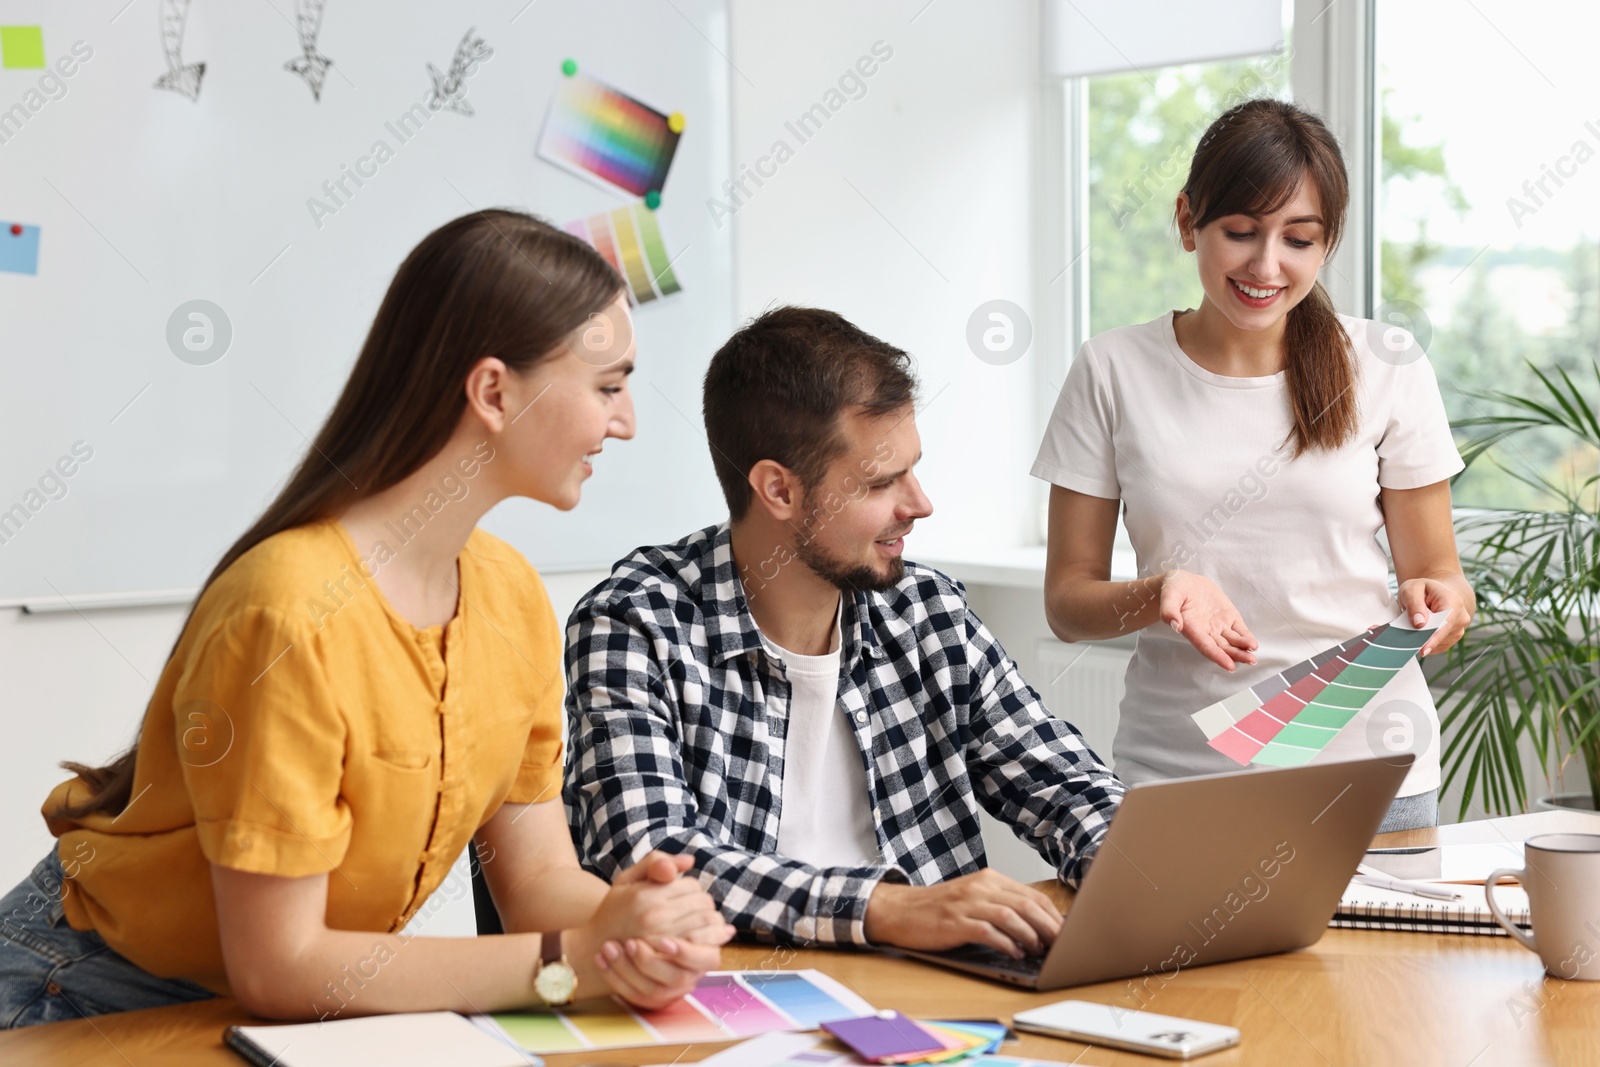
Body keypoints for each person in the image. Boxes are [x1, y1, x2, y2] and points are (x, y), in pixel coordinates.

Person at [0, 210, 732, 1030]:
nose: (627, 419)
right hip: (82, 996)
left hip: (274, 1013)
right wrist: (574, 960)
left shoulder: (512, 596)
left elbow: (536, 886)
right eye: (608, 385)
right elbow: (280, 964)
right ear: (494, 391)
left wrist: (635, 929)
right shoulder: (286, 610)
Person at [564, 306, 1125, 961]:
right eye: (882, 481)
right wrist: (884, 906)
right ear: (779, 490)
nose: (919, 504)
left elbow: (1064, 785)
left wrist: (1137, 869)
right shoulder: (637, 624)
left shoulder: (925, 610)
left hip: (932, 997)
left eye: (912, 469)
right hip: (729, 999)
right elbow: (653, 859)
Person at [1035, 99, 1474, 831]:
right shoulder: (1113, 369)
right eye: (1240, 232)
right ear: (1187, 221)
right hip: (1183, 773)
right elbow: (1067, 603)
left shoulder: (1385, 363)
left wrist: (1443, 597)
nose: (1267, 266)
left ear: (1326, 243)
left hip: (1369, 770)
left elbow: (1442, 573)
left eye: (1298, 239)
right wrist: (1161, 592)